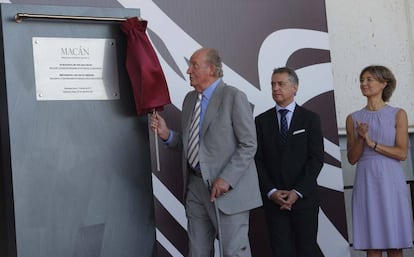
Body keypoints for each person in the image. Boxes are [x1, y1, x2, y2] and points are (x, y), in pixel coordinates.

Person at [149, 47, 262, 257]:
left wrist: (226, 179)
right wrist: (167, 135)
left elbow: (249, 144)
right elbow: (195, 146)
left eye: (193, 65)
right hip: (195, 188)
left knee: (233, 252)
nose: (188, 70)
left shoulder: (234, 97)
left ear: (211, 69)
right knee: (197, 252)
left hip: (228, 191)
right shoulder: (189, 100)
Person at [254, 67, 324, 257]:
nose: (276, 88)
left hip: (304, 200)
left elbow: (316, 159)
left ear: (295, 88)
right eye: (273, 84)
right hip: (274, 202)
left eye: (281, 84)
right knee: (280, 251)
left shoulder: (310, 119)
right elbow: (257, 161)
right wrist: (272, 192)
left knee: (307, 250)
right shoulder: (260, 121)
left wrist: (297, 192)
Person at [345, 65, 412, 257]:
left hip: (390, 180)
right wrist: (360, 138)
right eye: (362, 80)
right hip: (366, 181)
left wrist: (372, 143)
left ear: (384, 83)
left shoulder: (398, 114)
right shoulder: (353, 118)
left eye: (369, 79)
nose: (364, 84)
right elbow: (352, 158)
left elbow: (401, 153)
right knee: (371, 243)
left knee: (394, 243)